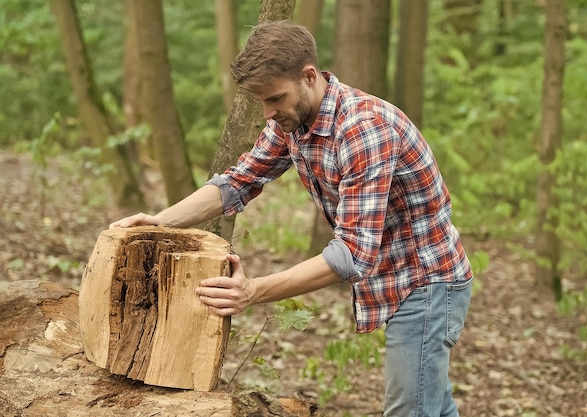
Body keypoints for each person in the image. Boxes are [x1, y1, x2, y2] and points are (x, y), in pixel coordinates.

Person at [110, 20, 473, 417]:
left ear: (309, 76)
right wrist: (159, 223)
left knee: (411, 410)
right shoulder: (293, 120)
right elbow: (238, 182)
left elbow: (351, 254)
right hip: (394, 274)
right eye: (261, 102)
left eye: (275, 99)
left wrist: (254, 291)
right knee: (433, 405)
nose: (268, 113)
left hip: (425, 281)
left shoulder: (364, 130)